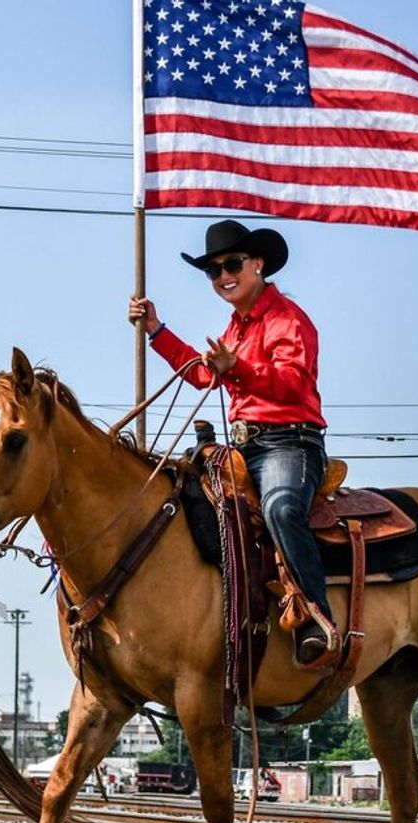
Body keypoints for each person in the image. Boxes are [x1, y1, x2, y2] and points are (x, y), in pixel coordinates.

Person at [127, 219, 334, 669]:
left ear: (258, 264)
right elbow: (204, 373)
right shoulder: (237, 326)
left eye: (233, 264)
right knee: (181, 502)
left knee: (281, 507)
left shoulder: (288, 320)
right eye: (214, 270)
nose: (224, 275)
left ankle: (316, 617)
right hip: (243, 449)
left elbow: (293, 386)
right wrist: (156, 329)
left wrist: (235, 367)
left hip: (290, 445)